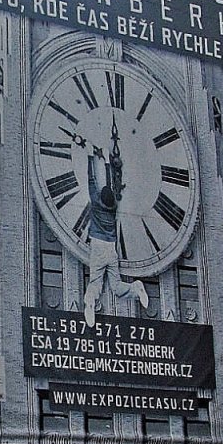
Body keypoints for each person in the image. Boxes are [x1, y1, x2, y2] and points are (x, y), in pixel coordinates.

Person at [81, 123, 148, 328]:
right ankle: (135, 288)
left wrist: (92, 157)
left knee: (95, 284)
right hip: (111, 250)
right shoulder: (113, 206)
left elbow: (91, 179)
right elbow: (110, 184)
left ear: (100, 197)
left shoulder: (95, 200)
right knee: (116, 287)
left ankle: (90, 305)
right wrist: (108, 163)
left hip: (99, 249)